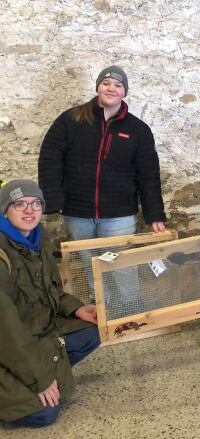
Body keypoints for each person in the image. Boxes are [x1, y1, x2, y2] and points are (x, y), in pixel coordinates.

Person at [0, 180, 100, 428]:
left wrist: (76, 308)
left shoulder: (37, 237)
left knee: (91, 331)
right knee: (44, 414)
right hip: (9, 344)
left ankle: (40, 377)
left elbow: (52, 289)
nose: (29, 210)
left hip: (36, 332)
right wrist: (41, 379)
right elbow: (7, 332)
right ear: (4, 210)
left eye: (36, 203)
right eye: (19, 204)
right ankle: (36, 382)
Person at [38, 65, 167, 237]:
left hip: (119, 215)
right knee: (84, 262)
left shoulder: (138, 130)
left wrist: (155, 214)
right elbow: (50, 160)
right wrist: (53, 200)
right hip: (77, 212)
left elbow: (148, 175)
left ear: (124, 92)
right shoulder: (70, 120)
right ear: (98, 87)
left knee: (117, 263)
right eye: (106, 83)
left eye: (118, 85)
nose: (111, 88)